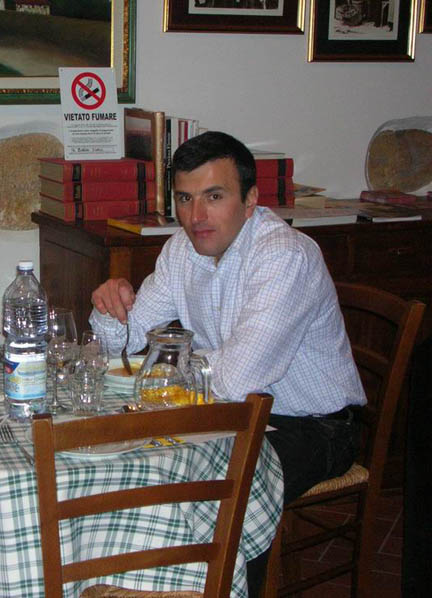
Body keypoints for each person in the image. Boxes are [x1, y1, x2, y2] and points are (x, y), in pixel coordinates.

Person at [89, 131, 366, 593]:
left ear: (251, 199)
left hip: (317, 425)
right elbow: (124, 343)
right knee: (139, 459)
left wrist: (167, 362)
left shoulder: (285, 257)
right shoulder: (182, 250)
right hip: (231, 413)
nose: (196, 215)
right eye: (185, 198)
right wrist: (110, 308)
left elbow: (238, 378)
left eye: (214, 196)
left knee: (223, 487)